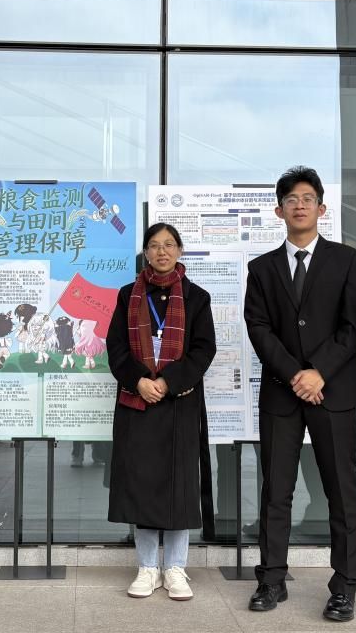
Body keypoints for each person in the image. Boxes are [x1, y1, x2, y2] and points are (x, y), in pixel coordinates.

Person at [244, 166, 356, 621]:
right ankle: (271, 579)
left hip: (334, 390)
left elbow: (353, 325)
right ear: (279, 210)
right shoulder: (261, 268)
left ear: (322, 208)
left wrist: (319, 373)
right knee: (276, 490)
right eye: (291, 199)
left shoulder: (347, 260)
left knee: (341, 489)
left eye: (307, 198)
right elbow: (258, 327)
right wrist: (296, 374)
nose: (299, 205)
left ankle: (345, 586)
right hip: (282, 392)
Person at [106, 223, 216, 601]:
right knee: (142, 486)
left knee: (179, 487)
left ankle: (175, 568)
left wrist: (168, 382)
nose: (162, 252)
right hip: (138, 402)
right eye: (154, 246)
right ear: (146, 252)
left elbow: (203, 349)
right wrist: (139, 381)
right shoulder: (128, 295)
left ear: (180, 250)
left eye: (169, 245)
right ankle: (147, 567)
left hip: (179, 403)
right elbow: (116, 348)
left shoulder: (197, 297)